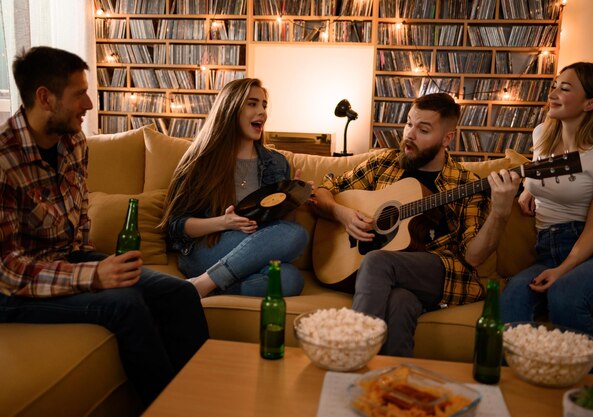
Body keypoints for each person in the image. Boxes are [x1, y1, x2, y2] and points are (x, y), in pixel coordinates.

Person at [0, 46, 209, 406]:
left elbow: (79, 209)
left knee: (181, 293)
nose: (90, 105)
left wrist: (91, 260)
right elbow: (7, 270)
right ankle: (173, 409)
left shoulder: (73, 141)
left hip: (68, 258)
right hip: (13, 291)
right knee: (125, 303)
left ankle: (203, 395)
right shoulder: (4, 162)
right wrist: (92, 277)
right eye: (79, 94)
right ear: (45, 98)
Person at [313, 93, 521, 357]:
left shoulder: (465, 183)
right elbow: (323, 191)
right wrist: (342, 214)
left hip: (440, 269)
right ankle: (392, 386)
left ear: (447, 138)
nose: (409, 134)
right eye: (408, 123)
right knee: (400, 302)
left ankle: (351, 354)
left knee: (378, 261)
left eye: (423, 130)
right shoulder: (384, 162)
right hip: (393, 275)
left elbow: (475, 256)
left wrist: (501, 212)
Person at [501, 62, 593, 338]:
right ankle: (521, 377)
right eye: (554, 85)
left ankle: (581, 382)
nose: (553, 93)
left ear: (591, 102)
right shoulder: (541, 135)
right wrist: (528, 190)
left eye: (565, 88)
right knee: (511, 301)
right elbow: (540, 174)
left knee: (564, 295)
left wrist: (562, 271)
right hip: (547, 249)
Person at [161, 78, 308, 298]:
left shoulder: (277, 163)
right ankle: (205, 281)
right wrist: (224, 222)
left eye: (264, 105)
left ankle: (205, 284)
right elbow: (175, 226)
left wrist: (293, 200)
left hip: (253, 251)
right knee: (297, 235)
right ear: (231, 109)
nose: (262, 112)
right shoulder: (201, 161)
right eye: (252, 104)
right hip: (207, 248)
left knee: (289, 279)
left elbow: (280, 231)